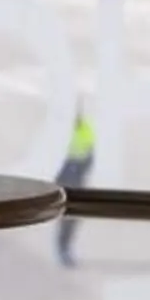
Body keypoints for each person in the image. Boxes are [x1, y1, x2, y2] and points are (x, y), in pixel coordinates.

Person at [55, 105, 96, 264]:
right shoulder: (58, 128)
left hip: (76, 179)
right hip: (62, 179)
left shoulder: (86, 129)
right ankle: (62, 248)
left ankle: (65, 247)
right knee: (65, 216)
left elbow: (91, 155)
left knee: (72, 217)